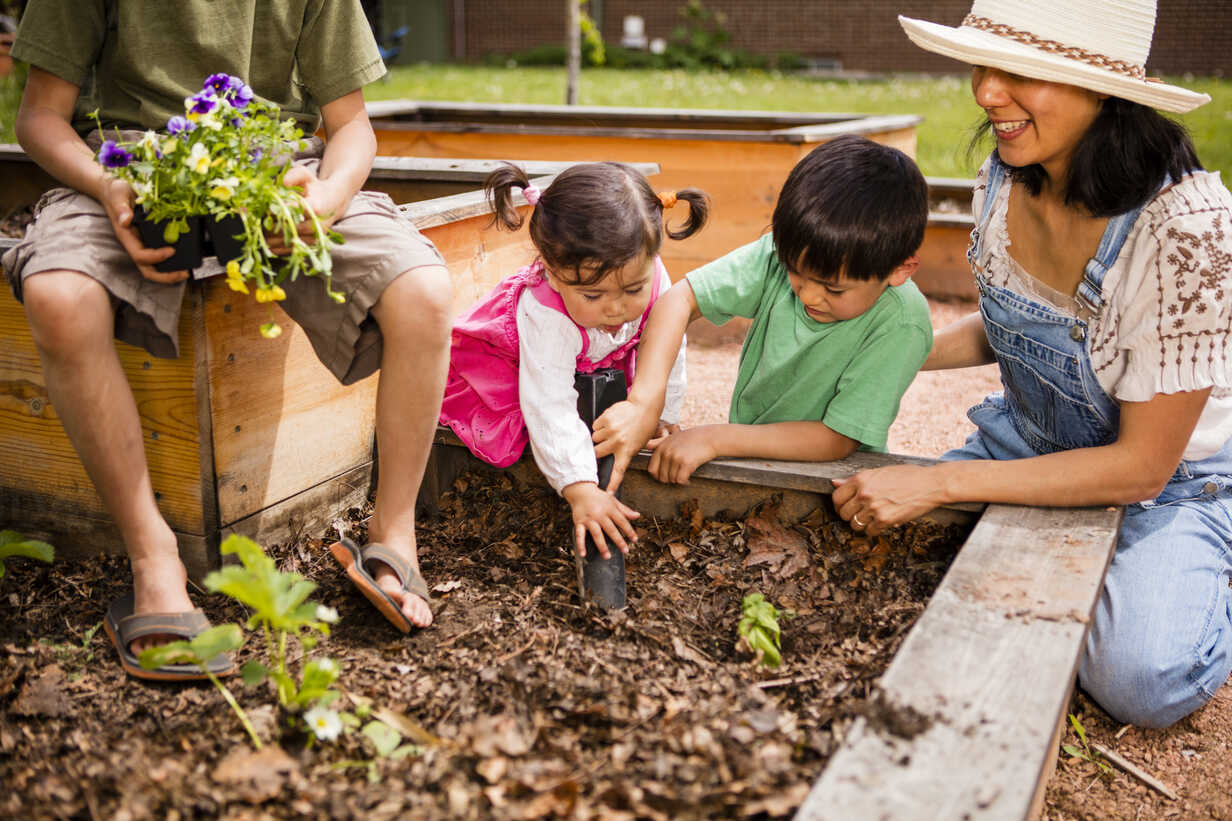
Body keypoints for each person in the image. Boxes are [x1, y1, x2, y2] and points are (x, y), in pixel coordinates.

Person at [2, 0, 452, 676]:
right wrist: (108, 185)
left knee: (423, 292)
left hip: (281, 177)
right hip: (130, 174)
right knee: (58, 297)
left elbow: (351, 125)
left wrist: (325, 198)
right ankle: (153, 555)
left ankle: (393, 533)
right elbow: (40, 118)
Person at [830, 0, 1231, 728]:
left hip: (1166, 484)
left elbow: (1140, 466)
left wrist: (944, 481)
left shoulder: (1187, 231)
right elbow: (1017, 327)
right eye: (985, 65)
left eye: (1021, 72)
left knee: (1142, 681)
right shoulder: (1011, 173)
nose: (986, 92)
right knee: (891, 567)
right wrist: (886, 351)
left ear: (1103, 90)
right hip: (1031, 443)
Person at [593, 135, 932, 490]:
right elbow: (679, 300)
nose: (808, 294)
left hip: (833, 482)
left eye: (833, 288)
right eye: (795, 271)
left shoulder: (902, 322)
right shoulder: (783, 253)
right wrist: (645, 403)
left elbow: (837, 439)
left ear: (899, 270)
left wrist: (714, 439)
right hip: (749, 455)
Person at [439, 161, 708, 558]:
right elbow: (548, 403)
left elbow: (668, 347)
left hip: (587, 360)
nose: (616, 308)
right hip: (517, 367)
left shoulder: (651, 274)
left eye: (632, 289)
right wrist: (580, 487)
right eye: (594, 296)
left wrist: (664, 411)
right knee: (537, 422)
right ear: (553, 272)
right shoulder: (546, 315)